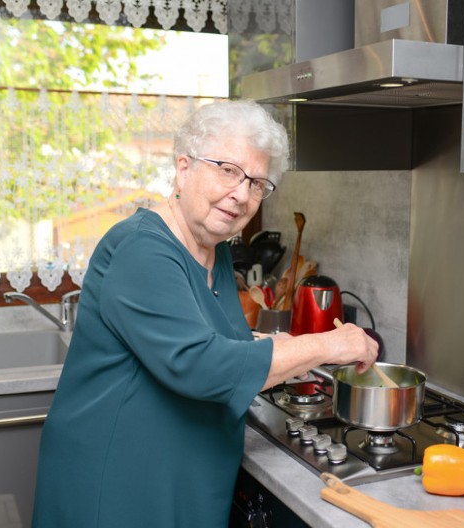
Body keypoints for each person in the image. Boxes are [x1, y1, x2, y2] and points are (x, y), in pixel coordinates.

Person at [30, 99, 379, 527]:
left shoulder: (216, 252)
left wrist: (278, 345)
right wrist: (327, 343)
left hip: (183, 486)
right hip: (119, 488)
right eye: (228, 170)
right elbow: (201, 364)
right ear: (183, 167)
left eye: (257, 183)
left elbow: (216, 339)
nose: (241, 194)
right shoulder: (141, 249)